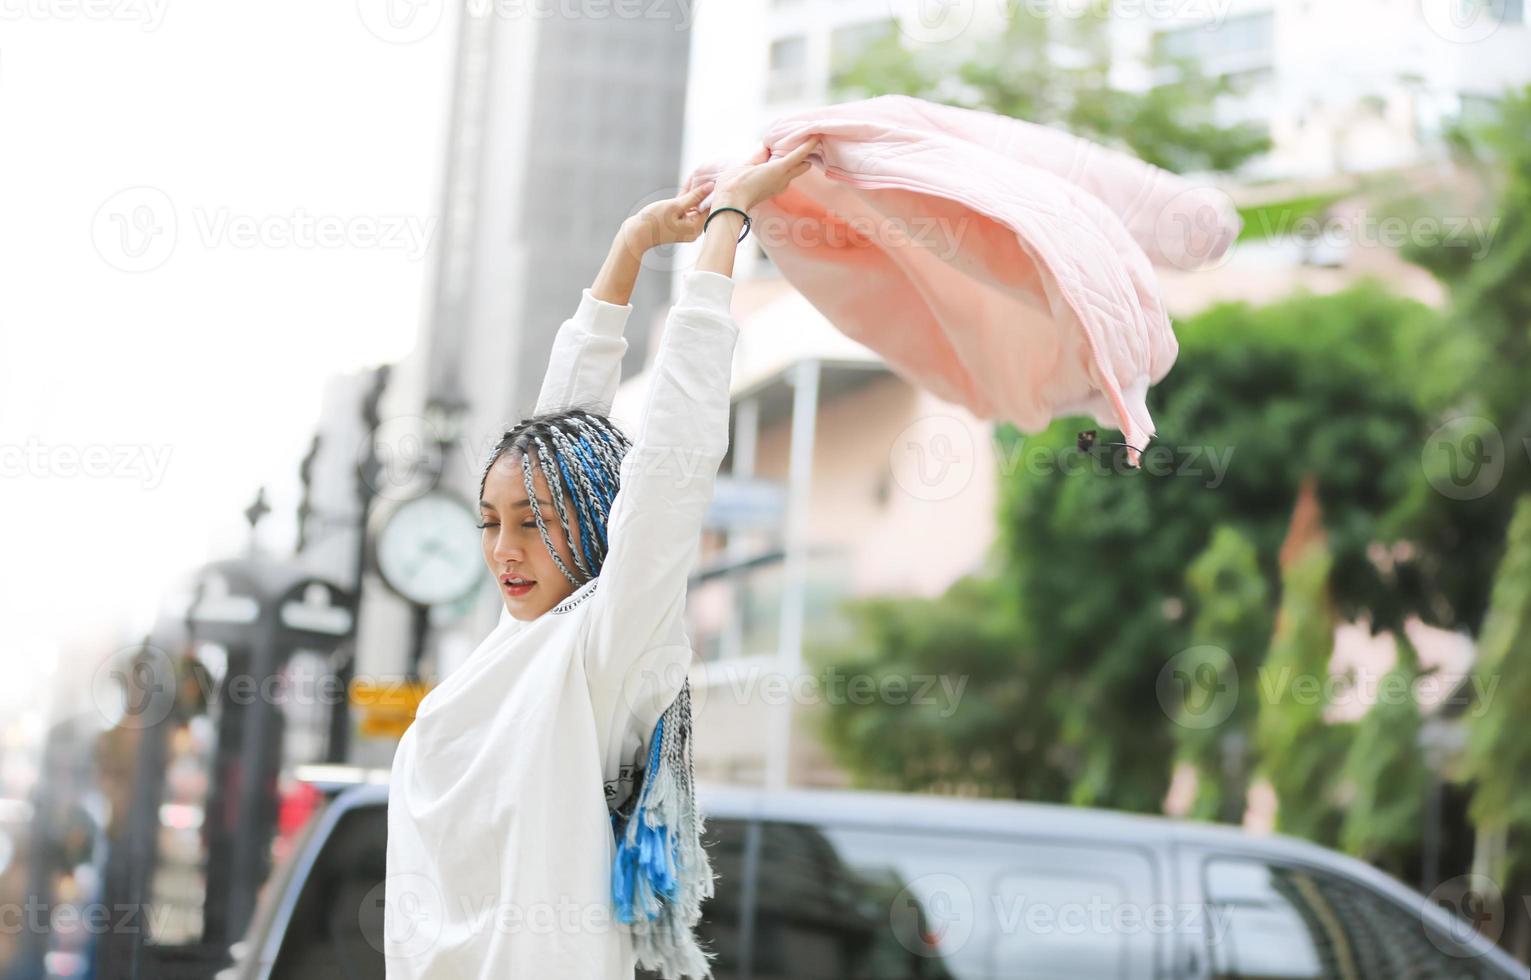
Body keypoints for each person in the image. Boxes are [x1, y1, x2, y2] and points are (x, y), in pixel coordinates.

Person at [384, 138, 821, 979]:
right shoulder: (511, 644)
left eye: (533, 524)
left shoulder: (602, 646)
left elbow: (670, 467)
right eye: (489, 523)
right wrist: (628, 250)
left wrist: (725, 232)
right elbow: (559, 442)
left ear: (590, 523)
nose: (506, 551)